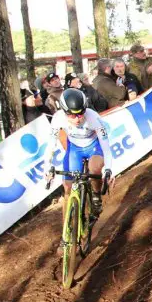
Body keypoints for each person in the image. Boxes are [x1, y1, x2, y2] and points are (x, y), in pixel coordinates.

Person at [43, 89, 114, 251]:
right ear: (63, 111)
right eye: (72, 115)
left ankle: (95, 197)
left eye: (80, 114)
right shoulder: (58, 118)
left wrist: (108, 169)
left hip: (94, 146)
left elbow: (106, 147)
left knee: (94, 168)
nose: (77, 119)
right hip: (74, 148)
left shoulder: (94, 117)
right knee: (67, 190)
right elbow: (51, 145)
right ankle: (65, 236)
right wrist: (48, 167)